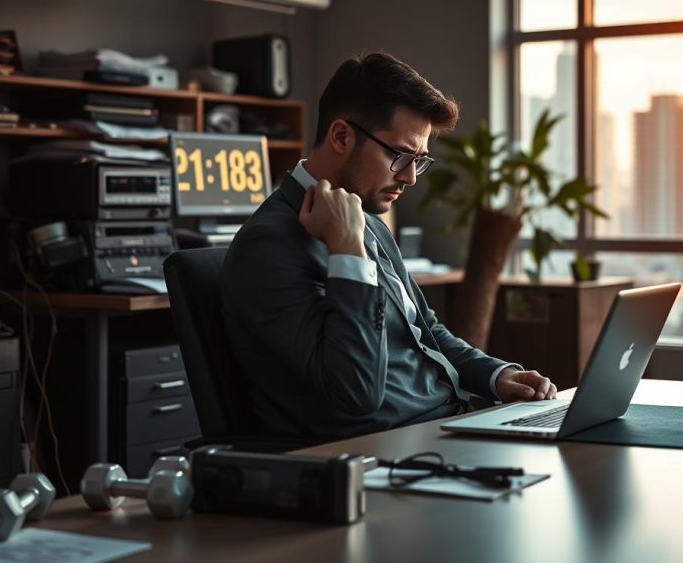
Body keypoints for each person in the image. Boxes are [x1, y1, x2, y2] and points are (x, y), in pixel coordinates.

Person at [221, 52, 557, 443]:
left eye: (420, 160)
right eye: (400, 156)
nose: (411, 178)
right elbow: (355, 393)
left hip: (444, 429)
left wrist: (498, 376)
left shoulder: (371, 223)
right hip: (377, 453)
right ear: (342, 136)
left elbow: (424, 330)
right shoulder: (269, 246)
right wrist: (347, 250)